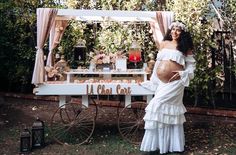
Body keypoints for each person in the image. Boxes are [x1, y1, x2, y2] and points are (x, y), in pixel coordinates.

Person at [140, 21, 196, 154]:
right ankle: (158, 145)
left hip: (176, 83)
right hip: (162, 83)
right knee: (160, 110)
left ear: (183, 33)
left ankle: (173, 145)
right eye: (173, 29)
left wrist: (182, 74)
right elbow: (159, 62)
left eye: (178, 30)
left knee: (160, 106)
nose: (175, 32)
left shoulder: (185, 47)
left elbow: (191, 66)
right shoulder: (164, 44)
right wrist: (153, 80)